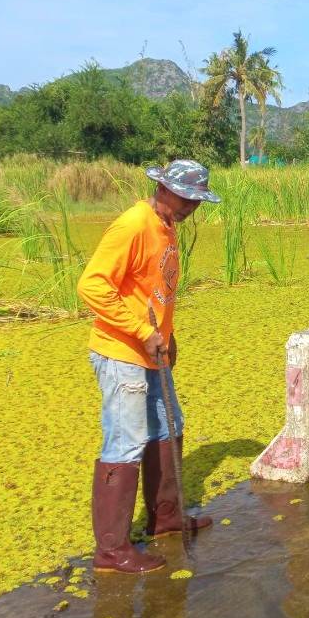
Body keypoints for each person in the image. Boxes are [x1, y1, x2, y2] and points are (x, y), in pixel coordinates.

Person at [77, 160, 220, 574]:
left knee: (169, 426)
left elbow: (154, 287)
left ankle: (165, 518)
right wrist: (142, 330)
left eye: (198, 200)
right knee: (125, 440)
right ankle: (111, 549)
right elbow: (92, 285)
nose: (193, 206)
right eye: (187, 198)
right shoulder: (134, 224)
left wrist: (167, 334)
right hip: (121, 353)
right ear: (164, 188)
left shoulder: (167, 224)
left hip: (152, 350)